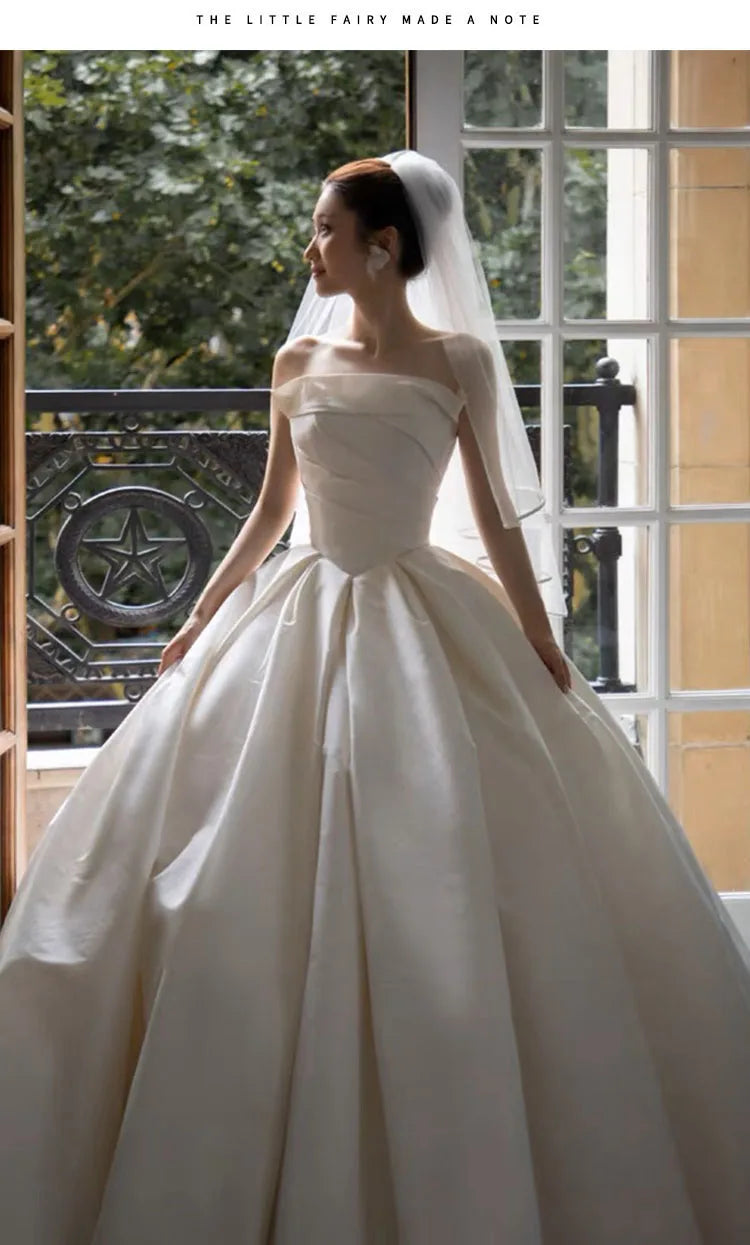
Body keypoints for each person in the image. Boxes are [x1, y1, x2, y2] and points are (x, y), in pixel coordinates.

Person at [1, 151, 750, 1245]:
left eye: (325, 231)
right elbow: (268, 514)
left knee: (446, 850)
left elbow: (496, 515)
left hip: (420, 608)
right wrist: (199, 623)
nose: (312, 251)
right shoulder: (295, 357)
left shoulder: (457, 363)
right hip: (299, 610)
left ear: (383, 246)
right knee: (216, 859)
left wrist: (541, 642)